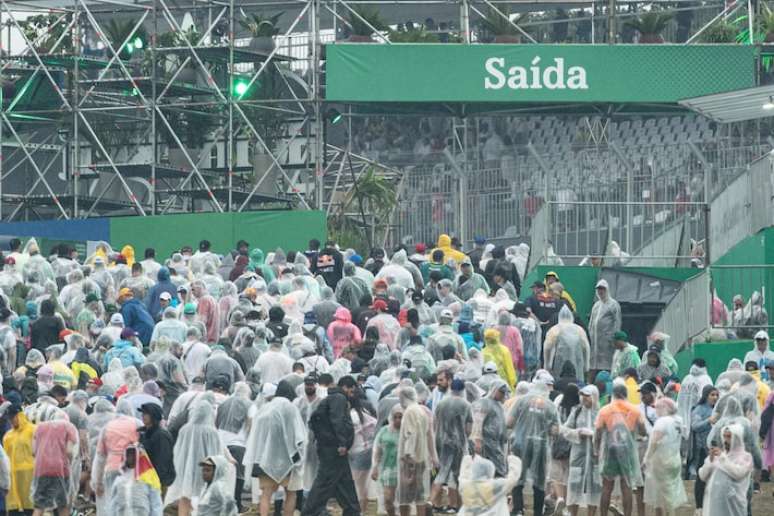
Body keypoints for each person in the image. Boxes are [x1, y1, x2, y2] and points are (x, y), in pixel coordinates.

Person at [243, 380, 306, 516]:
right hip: (288, 459)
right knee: (291, 493)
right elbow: (299, 435)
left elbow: (256, 434)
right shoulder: (290, 408)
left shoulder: (265, 408)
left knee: (266, 493)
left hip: (266, 458)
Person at [302, 376, 360, 516]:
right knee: (325, 481)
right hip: (334, 449)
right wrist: (342, 443)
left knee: (343, 481)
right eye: (352, 390)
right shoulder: (339, 398)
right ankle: (310, 511)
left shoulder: (332, 399)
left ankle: (352, 510)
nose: (352, 394)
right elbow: (337, 420)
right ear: (347, 387)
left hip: (330, 447)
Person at [165, 399, 230, 516]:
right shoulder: (211, 432)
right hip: (206, 469)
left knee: (185, 497)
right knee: (204, 497)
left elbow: (178, 450)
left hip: (186, 468)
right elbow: (217, 453)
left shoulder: (185, 430)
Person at [507, 371, 559, 516]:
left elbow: (508, 422)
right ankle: (537, 511)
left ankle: (518, 509)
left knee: (518, 476)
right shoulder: (550, 406)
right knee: (539, 480)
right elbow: (555, 430)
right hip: (540, 446)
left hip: (520, 443)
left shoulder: (521, 400)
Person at [594, 383, 646, 516]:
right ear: (626, 395)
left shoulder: (605, 410)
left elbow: (598, 432)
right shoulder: (634, 410)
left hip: (610, 450)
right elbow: (643, 431)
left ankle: (603, 514)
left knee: (607, 487)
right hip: (627, 451)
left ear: (613, 394)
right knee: (627, 486)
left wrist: (596, 450)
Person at [430, 378, 471, 512]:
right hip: (458, 443)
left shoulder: (441, 403)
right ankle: (452, 505)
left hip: (441, 441)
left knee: (441, 472)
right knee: (455, 473)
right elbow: (468, 429)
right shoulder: (465, 404)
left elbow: (434, 423)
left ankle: (435, 504)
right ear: (462, 390)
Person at [396, 385, 437, 516]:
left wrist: (409, 458)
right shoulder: (422, 410)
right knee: (420, 495)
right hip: (421, 457)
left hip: (411, 461)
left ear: (404, 398)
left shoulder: (409, 412)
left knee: (405, 497)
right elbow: (428, 435)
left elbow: (410, 435)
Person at [561, 384, 601, 516]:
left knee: (595, 488)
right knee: (574, 486)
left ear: (594, 397)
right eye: (582, 396)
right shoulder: (576, 411)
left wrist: (594, 434)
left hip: (596, 458)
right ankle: (572, 513)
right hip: (578, 456)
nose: (584, 399)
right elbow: (565, 430)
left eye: (587, 396)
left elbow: (606, 433)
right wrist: (578, 433)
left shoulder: (601, 413)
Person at [642, 398, 687, 516]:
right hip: (675, 459)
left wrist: (646, 458)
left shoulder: (663, 421)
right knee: (669, 491)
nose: (655, 410)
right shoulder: (678, 420)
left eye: (657, 407)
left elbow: (655, 441)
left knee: (663, 495)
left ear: (664, 408)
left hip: (662, 462)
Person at [698, 424, 753, 516]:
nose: (725, 440)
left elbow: (738, 473)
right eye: (724, 436)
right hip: (713, 504)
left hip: (733, 505)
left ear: (737, 438)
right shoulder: (719, 455)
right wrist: (710, 461)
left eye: (729, 437)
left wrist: (722, 458)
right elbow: (702, 476)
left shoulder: (745, 457)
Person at [456, 455, 522, 516]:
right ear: (491, 470)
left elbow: (463, 476)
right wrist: (513, 460)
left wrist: (467, 461)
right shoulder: (495, 486)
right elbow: (512, 479)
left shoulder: (465, 486)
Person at [107, 445, 163, 516]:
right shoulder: (119, 480)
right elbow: (113, 505)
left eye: (133, 454)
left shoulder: (149, 478)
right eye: (129, 454)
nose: (131, 457)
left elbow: (156, 503)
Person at [688, 386, 719, 512]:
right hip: (702, 450)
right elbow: (695, 426)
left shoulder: (718, 410)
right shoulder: (699, 409)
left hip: (715, 450)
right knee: (701, 478)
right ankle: (699, 507)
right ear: (706, 396)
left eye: (716, 395)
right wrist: (708, 421)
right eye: (712, 395)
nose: (715, 397)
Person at [471, 380, 509, 478]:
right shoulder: (484, 402)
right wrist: (478, 440)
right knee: (487, 469)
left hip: (496, 443)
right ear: (494, 390)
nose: (503, 394)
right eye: (501, 392)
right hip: (486, 443)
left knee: (498, 469)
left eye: (504, 392)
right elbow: (478, 422)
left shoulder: (498, 405)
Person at [4, 403, 36, 515]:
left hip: (30, 475)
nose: (11, 420)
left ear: (20, 415)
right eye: (9, 418)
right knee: (14, 507)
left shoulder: (33, 430)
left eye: (13, 417)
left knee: (31, 505)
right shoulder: (8, 435)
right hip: (13, 476)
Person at [543, 305, 590, 381]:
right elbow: (586, 347)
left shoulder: (554, 329)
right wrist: (586, 366)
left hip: (558, 363)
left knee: (559, 382)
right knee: (577, 384)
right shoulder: (579, 329)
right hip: (577, 364)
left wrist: (546, 366)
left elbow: (547, 348)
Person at [371, 405, 403, 516]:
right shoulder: (384, 431)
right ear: (391, 417)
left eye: (401, 417)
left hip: (403, 470)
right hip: (387, 469)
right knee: (388, 499)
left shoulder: (408, 432)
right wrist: (375, 467)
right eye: (396, 417)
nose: (398, 420)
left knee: (402, 501)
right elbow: (377, 450)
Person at [139, 403, 175, 493]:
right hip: (146, 478)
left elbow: (163, 460)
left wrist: (157, 482)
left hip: (158, 481)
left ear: (154, 416)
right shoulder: (145, 433)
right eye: (143, 413)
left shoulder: (161, 435)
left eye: (146, 414)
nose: (143, 416)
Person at [588, 279, 622, 376]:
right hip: (595, 341)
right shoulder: (596, 305)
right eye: (598, 289)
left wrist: (615, 338)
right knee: (594, 365)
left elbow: (617, 322)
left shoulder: (613, 304)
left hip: (607, 341)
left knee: (607, 365)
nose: (600, 291)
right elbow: (591, 323)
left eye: (602, 289)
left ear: (607, 290)